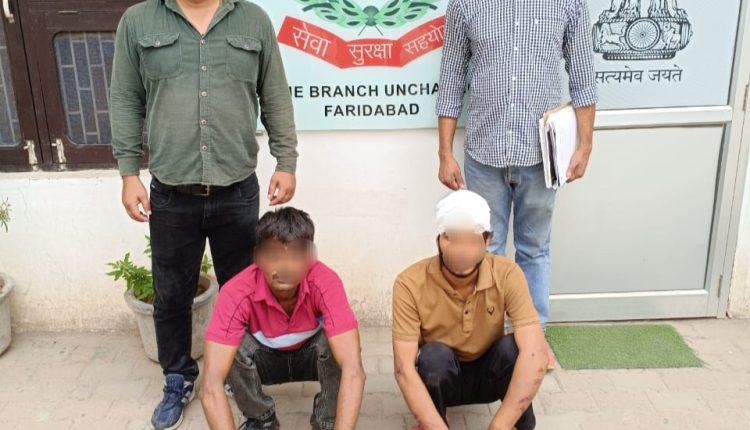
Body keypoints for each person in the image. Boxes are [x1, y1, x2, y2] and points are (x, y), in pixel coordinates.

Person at [110, 0, 298, 427]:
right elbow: (125, 98)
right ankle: (178, 378)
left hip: (237, 189)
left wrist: (286, 160)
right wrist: (128, 172)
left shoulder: (252, 20)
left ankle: (238, 374)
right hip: (172, 193)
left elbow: (274, 94)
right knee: (172, 293)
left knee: (242, 290)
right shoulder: (138, 22)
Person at [435, 0, 599, 366]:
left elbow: (583, 77)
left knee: (534, 250)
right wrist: (445, 153)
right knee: (483, 249)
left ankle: (534, 339)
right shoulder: (465, 4)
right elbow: (451, 78)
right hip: (483, 153)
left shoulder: (568, 4)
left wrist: (585, 146)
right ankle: (486, 338)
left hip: (541, 157)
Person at [392, 191, 548, 430]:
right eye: (452, 238)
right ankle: (435, 422)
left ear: (487, 240)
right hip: (443, 376)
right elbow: (403, 368)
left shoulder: (507, 273)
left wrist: (498, 426)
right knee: (433, 357)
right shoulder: (409, 283)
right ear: (438, 239)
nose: (462, 251)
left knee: (514, 349)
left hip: (490, 373)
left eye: (472, 240)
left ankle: (518, 425)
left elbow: (536, 353)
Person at [200, 207, 365, 430]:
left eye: (295, 256)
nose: (284, 266)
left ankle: (328, 419)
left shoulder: (326, 282)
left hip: (312, 357)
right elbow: (210, 386)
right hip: (263, 361)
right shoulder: (235, 291)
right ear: (258, 257)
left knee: (343, 345)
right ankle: (261, 418)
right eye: (273, 255)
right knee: (229, 346)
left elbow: (354, 371)